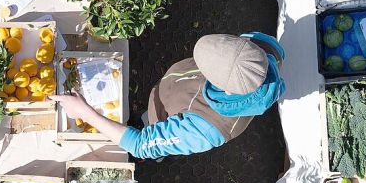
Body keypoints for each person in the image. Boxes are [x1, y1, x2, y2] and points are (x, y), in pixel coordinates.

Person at [52, 33, 286, 160]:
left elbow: (141, 144)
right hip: (174, 93)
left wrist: (85, 113)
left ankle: (147, 126)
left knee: (148, 132)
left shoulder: (207, 129)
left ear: (226, 89)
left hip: (166, 120)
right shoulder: (257, 49)